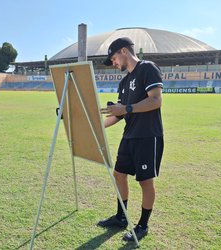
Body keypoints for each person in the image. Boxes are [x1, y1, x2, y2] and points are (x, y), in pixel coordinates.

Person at [98, 37, 164, 242]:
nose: (114, 63)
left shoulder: (148, 68)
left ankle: (143, 225)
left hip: (148, 135)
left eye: (114, 58)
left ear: (124, 51)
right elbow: (118, 114)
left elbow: (155, 100)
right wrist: (96, 126)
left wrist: (126, 108)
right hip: (130, 136)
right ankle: (121, 217)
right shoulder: (124, 81)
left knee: (145, 181)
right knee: (118, 174)